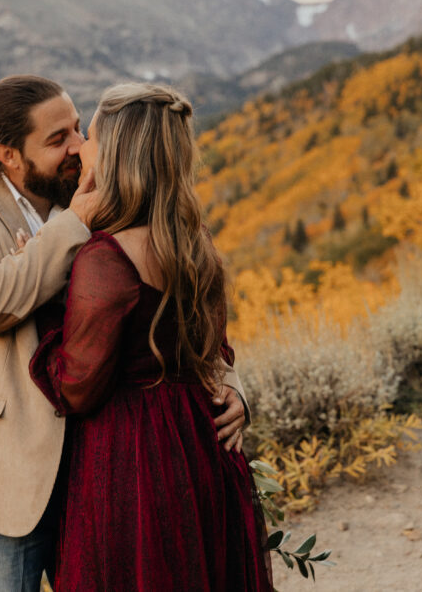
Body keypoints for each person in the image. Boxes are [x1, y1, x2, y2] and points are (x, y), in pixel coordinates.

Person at [0, 75, 251, 591]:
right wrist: (73, 226)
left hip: (99, 473)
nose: (77, 147)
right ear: (7, 154)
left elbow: (173, 306)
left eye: (76, 128)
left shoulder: (94, 197)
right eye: (57, 139)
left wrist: (227, 384)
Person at [29, 82, 272, 591]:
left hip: (134, 458)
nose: (80, 147)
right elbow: (216, 352)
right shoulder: (194, 240)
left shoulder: (106, 259)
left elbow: (76, 385)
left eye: (90, 136)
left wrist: (49, 312)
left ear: (115, 152)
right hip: (203, 446)